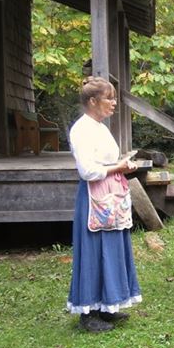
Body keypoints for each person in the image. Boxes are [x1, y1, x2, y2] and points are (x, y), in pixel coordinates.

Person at [67, 76, 141, 332]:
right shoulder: (81, 129)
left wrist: (122, 164)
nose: (113, 103)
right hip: (94, 198)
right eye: (108, 98)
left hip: (112, 196)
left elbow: (106, 162)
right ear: (92, 101)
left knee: (111, 249)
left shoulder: (100, 127)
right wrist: (118, 167)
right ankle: (88, 315)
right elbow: (88, 170)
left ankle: (107, 307)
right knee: (94, 252)